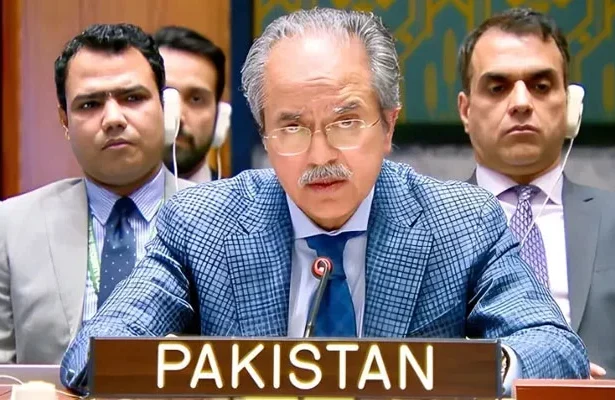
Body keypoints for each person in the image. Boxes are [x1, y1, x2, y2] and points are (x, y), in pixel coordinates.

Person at [60, 8, 589, 396]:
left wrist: (471, 372)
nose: (320, 155)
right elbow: (92, 354)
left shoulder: (463, 222)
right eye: (291, 126)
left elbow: (554, 348)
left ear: (389, 126)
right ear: (264, 135)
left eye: (347, 121)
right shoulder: (202, 224)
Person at [0, 23, 193, 364]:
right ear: (65, 121)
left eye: (133, 98)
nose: (113, 119)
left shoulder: (219, 220)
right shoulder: (11, 228)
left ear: (166, 108)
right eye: (90, 104)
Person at [458, 7, 615, 378]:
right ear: (465, 111)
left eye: (541, 86)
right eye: (497, 87)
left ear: (570, 106)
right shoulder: (425, 229)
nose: (521, 103)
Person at [153, 26, 227, 183]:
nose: (179, 116)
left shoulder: (240, 199)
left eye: (196, 99)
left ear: (219, 115)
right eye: (164, 96)